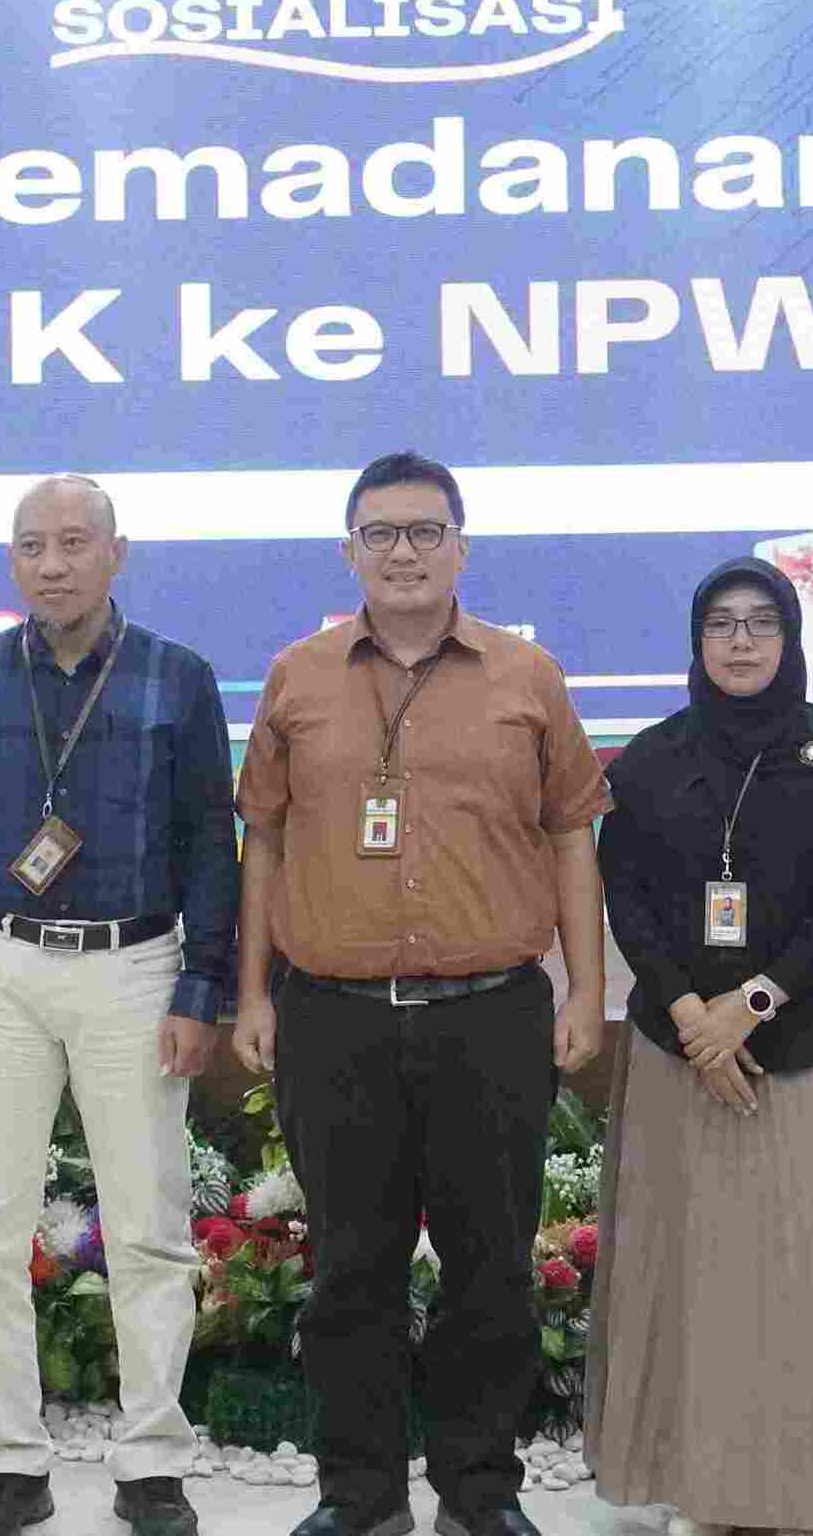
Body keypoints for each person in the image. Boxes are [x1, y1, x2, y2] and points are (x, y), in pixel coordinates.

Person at [232, 449, 611, 1536]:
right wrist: (252, 992)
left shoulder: (526, 676)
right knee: (349, 1273)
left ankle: (479, 1493)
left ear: (461, 547)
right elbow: (263, 840)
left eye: (425, 531)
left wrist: (585, 990)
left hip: (490, 1015)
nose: (404, 551)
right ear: (349, 549)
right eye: (382, 532)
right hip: (333, 1018)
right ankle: (359, 1497)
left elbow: (571, 834)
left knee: (491, 1271)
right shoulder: (297, 675)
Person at [0, 476, 239, 1536]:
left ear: (116, 552)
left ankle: (152, 1461)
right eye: (32, 545)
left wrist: (201, 987)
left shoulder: (177, 676)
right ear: (12, 559)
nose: (52, 563)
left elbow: (209, 843)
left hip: (134, 967)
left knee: (149, 1228)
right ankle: (8, 1460)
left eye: (74, 542)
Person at [587, 557, 813, 1535]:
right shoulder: (649, 759)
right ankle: (705, 1486)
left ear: (791, 637)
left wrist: (750, 1001)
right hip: (680, 1050)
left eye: (761, 622)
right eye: (721, 623)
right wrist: (691, 1013)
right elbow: (628, 896)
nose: (740, 641)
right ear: (696, 640)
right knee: (696, 1275)